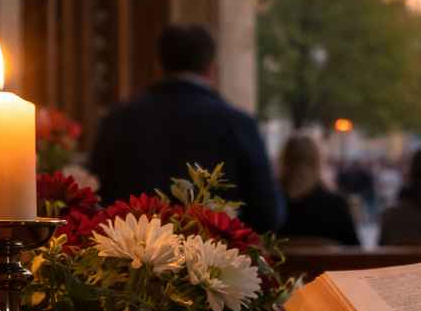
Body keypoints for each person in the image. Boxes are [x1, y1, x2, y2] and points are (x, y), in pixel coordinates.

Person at [90, 24, 285, 232]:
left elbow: (99, 200)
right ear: (211, 67)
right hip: (215, 258)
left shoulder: (118, 121)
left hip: (131, 256)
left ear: (159, 66)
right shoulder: (238, 124)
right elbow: (267, 213)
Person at [277, 135, 359, 246]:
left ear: (283, 160)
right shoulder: (335, 204)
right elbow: (354, 251)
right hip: (326, 263)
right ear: (318, 162)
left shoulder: (269, 203)